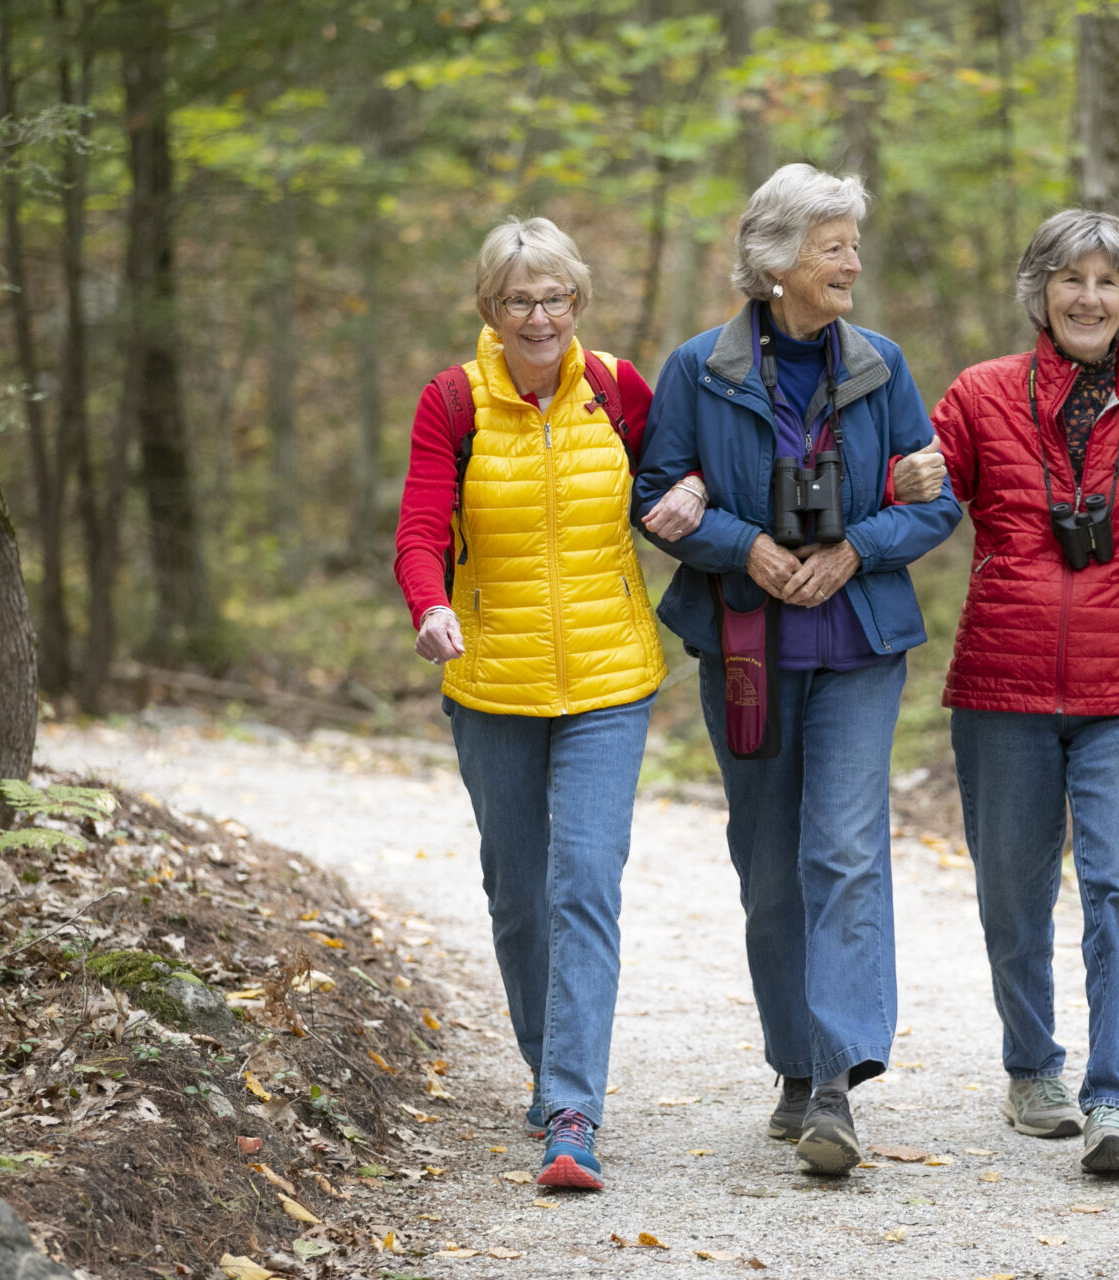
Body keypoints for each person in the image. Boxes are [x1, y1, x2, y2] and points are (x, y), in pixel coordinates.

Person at [634, 164, 961, 1176]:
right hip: (745, 648)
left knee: (846, 852)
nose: (853, 263)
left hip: (859, 642)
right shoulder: (699, 368)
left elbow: (936, 497)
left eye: (853, 245)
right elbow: (656, 493)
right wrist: (747, 548)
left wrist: (857, 545)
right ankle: (792, 1060)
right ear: (775, 261)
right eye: (833, 247)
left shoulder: (883, 364)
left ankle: (834, 1082)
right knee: (769, 868)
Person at [393, 216, 707, 1192]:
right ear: (493, 308)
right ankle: (548, 1068)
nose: (540, 315)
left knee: (584, 879)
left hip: (610, 680)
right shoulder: (454, 399)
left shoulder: (617, 390)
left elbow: (676, 481)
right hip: (490, 681)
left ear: (578, 303)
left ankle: (573, 1108)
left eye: (556, 297)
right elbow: (417, 525)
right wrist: (431, 602)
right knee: (518, 892)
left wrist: (690, 496)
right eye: (521, 299)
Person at [928, 210, 1119, 1176]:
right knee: (1013, 895)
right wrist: (911, 477)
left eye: (1107, 283)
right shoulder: (980, 394)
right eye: (1070, 280)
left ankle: (1116, 1101)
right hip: (1001, 685)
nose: (1089, 298)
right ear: (1041, 293)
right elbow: (926, 500)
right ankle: (1032, 1070)